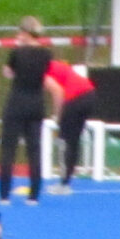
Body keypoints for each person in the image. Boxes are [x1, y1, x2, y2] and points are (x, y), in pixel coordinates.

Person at [0, 20, 53, 205]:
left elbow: (8, 72)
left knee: (8, 149)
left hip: (17, 102)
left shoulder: (17, 52)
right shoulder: (46, 53)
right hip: (36, 103)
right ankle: (34, 195)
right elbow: (44, 74)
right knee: (34, 150)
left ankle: (4, 194)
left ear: (27, 33)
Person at [47, 56, 101, 192]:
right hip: (90, 94)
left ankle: (63, 183)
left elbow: (57, 91)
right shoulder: (56, 64)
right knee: (73, 141)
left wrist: (57, 116)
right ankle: (67, 181)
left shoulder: (43, 70)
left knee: (64, 141)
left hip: (75, 99)